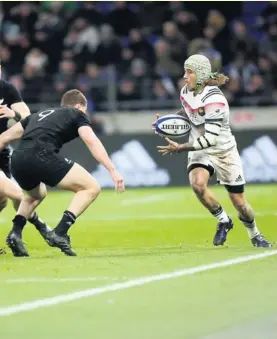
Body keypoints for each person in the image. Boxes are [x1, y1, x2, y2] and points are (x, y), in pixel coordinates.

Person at [155, 54, 271, 247]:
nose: (184, 76)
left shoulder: (215, 99)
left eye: (189, 72)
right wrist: (165, 123)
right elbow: (187, 111)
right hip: (199, 146)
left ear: (200, 74)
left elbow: (210, 139)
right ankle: (224, 220)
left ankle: (255, 234)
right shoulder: (186, 91)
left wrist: (180, 147)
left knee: (240, 203)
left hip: (222, 149)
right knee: (198, 185)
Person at [0, 89, 125, 257]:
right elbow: (91, 140)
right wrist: (112, 170)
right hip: (41, 155)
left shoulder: (38, 115)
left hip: (18, 159)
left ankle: (15, 233)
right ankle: (60, 231)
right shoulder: (76, 113)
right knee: (90, 188)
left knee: (34, 195)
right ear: (79, 106)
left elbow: (4, 138)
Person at [0, 64, 52, 256]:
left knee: (2, 201)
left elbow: (28, 117)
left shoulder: (6, 89)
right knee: (19, 195)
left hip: (3, 153)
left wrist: (14, 114)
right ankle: (42, 227)